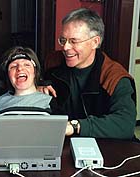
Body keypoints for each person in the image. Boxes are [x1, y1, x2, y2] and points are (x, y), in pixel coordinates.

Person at [45, 8, 137, 140]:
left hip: (105, 146)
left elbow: (125, 125)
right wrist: (39, 85)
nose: (65, 47)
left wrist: (75, 126)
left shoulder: (115, 78)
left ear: (95, 42)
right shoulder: (52, 62)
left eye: (73, 41)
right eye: (63, 40)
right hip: (62, 143)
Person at [0, 46, 60, 115]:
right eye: (14, 66)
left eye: (27, 65)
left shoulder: (49, 100)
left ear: (35, 72)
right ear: (8, 75)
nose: (20, 68)